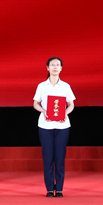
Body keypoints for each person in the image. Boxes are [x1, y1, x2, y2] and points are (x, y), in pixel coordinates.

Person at [32, 57, 75, 197]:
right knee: (48, 157)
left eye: (58, 65)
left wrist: (65, 113)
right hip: (45, 126)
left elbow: (71, 104)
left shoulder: (66, 86)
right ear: (47, 68)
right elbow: (35, 103)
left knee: (60, 157)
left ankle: (60, 188)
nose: (55, 67)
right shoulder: (41, 86)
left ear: (61, 68)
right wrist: (44, 111)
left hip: (62, 126)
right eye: (52, 65)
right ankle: (50, 188)